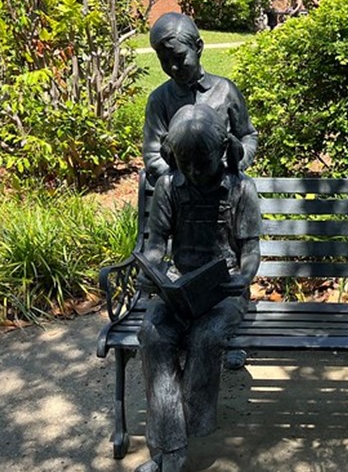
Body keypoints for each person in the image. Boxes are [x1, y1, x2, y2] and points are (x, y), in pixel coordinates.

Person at [135, 104, 262, 472]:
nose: (192, 172)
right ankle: (173, 449)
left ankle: (183, 436)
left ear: (222, 151)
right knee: (153, 334)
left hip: (224, 293)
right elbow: (157, 243)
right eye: (184, 163)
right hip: (180, 288)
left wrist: (244, 278)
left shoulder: (241, 189)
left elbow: (251, 250)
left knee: (206, 337)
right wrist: (152, 269)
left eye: (201, 163)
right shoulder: (168, 188)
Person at [143, 13, 258, 186]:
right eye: (164, 60)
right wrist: (185, 180)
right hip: (181, 199)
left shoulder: (226, 90)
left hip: (224, 192)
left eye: (179, 57)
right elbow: (153, 155)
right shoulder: (159, 100)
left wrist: (234, 166)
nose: (173, 67)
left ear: (198, 48)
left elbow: (248, 135)